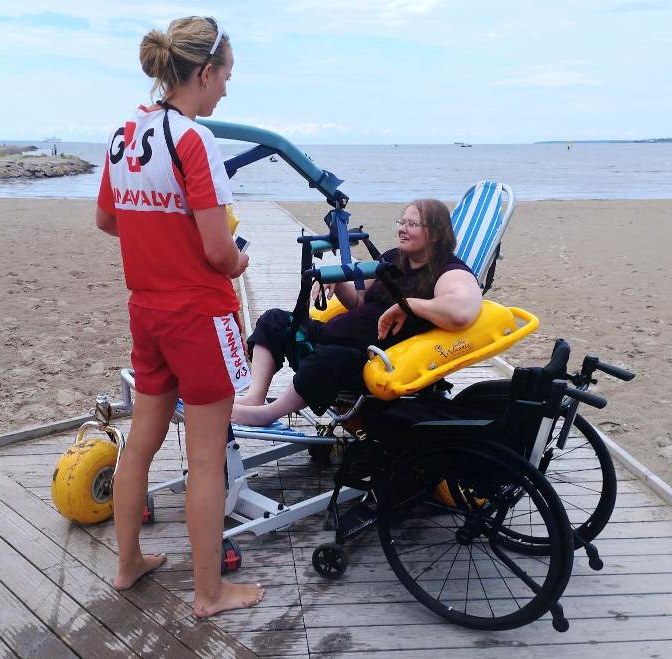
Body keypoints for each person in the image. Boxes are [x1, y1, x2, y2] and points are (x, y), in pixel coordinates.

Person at [95, 16, 264, 617]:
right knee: (204, 459)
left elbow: (109, 220)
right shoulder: (193, 141)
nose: (225, 90)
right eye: (224, 76)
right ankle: (210, 591)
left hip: (147, 310)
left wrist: (159, 227)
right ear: (202, 71)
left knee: (140, 443)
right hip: (198, 313)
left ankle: (126, 564)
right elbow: (219, 251)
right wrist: (239, 261)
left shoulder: (123, 134)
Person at [232, 199, 484, 426]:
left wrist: (411, 305)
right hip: (334, 337)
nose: (402, 229)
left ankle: (270, 413)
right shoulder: (393, 258)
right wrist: (338, 281)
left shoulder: (448, 270)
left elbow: (463, 309)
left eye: (412, 224)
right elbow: (359, 301)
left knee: (329, 359)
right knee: (274, 320)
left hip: (372, 359)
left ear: (436, 233)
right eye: (402, 221)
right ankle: (256, 396)